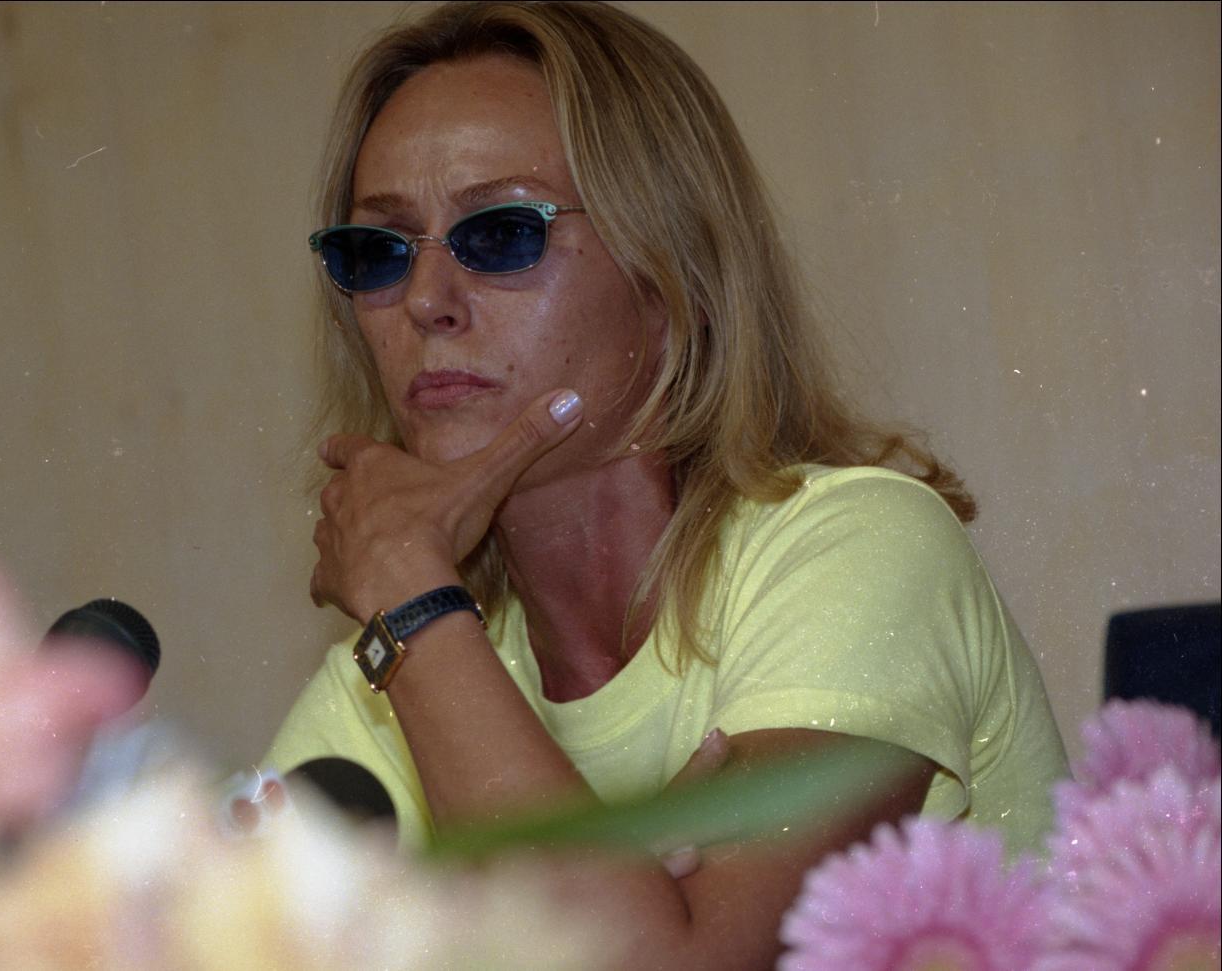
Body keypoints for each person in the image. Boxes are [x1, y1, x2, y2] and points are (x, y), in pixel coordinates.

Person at [263, 2, 1069, 966]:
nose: (426, 301)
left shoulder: (861, 547)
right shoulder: (395, 673)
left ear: (670, 274)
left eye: (501, 233)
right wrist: (617, 890)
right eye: (378, 251)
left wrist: (411, 602)